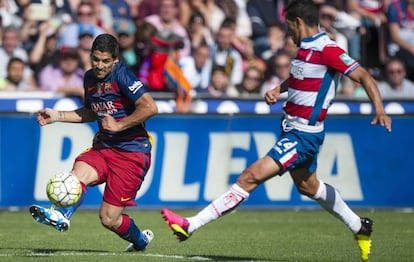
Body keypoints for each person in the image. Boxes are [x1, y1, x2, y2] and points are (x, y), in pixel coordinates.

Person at [161, 1, 392, 262]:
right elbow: (300, 78)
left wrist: (380, 109)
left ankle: (190, 225)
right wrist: (278, 90)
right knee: (308, 186)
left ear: (298, 22)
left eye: (289, 25)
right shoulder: (304, 49)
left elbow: (364, 76)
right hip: (292, 131)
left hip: (302, 135)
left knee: (249, 177)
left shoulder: (327, 49)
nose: (287, 32)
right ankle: (359, 226)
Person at [29, 33, 158, 252]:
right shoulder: (89, 78)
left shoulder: (123, 76)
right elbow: (91, 112)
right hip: (105, 147)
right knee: (77, 173)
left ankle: (140, 240)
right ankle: (62, 215)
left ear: (115, 60)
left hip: (132, 153)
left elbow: (150, 107)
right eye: (95, 59)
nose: (99, 65)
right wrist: (58, 115)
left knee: (108, 219)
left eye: (105, 61)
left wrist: (119, 124)